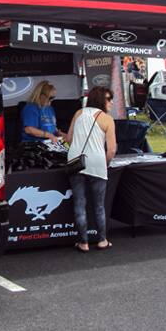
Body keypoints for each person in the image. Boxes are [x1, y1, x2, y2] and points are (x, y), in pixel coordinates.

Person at [66, 86, 117, 253]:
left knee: (79, 202)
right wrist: (106, 163)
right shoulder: (107, 119)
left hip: (76, 161)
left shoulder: (79, 113)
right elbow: (111, 149)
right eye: (109, 99)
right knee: (99, 205)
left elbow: (69, 138)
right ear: (101, 100)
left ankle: (84, 242)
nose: (111, 102)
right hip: (97, 162)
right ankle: (102, 240)